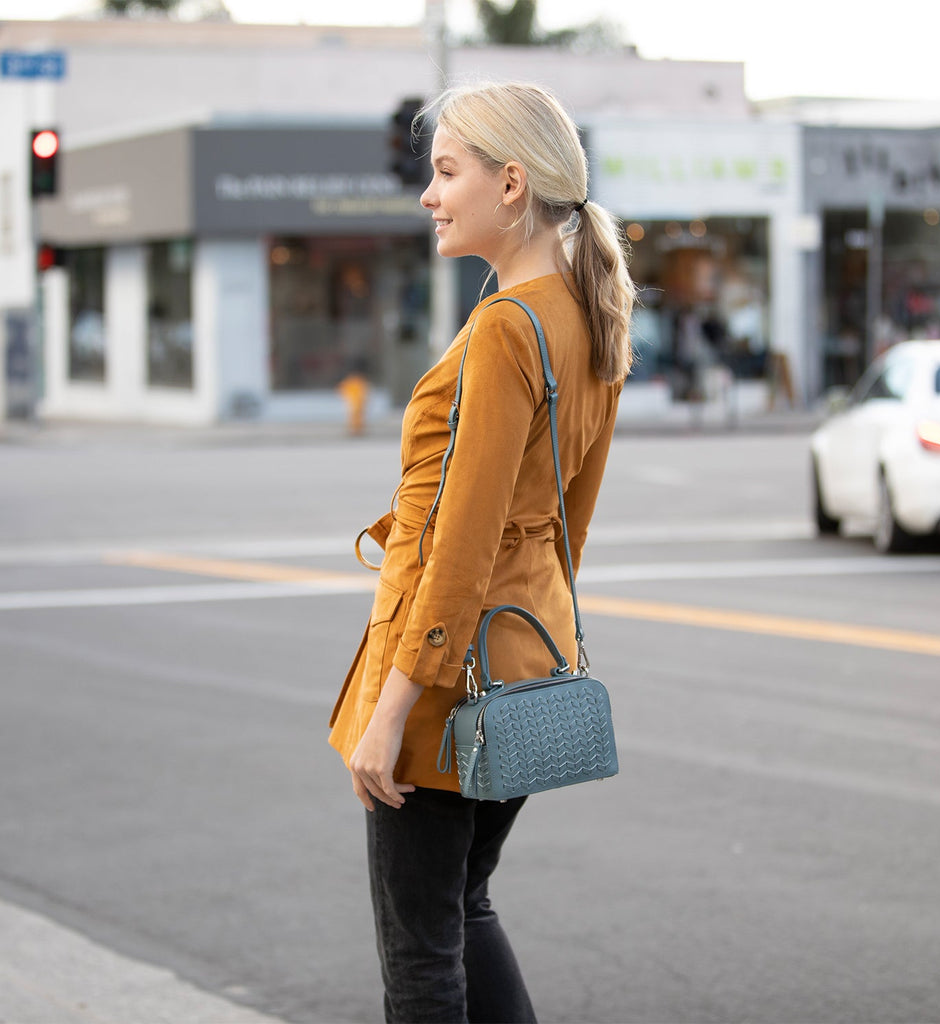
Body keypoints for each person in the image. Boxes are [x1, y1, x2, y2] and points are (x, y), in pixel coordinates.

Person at [328, 81, 635, 1023]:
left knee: (421, 958)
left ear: (512, 184)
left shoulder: (507, 328)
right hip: (521, 670)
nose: (429, 193)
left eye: (447, 171)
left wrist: (394, 710)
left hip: (444, 680)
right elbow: (567, 531)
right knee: (465, 907)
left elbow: (460, 542)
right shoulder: (588, 316)